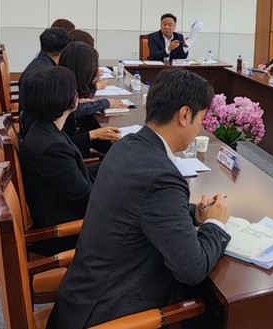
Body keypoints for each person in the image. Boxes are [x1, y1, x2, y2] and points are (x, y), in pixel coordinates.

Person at [48, 69, 231, 328]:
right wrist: (216, 224)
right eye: (201, 118)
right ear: (185, 115)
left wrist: (195, 213)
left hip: (81, 298)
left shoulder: (126, 145)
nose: (200, 125)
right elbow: (192, 269)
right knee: (213, 309)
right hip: (109, 313)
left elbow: (141, 208)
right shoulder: (162, 177)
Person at [18, 66, 93, 256]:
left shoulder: (44, 130)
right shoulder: (51, 147)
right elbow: (84, 197)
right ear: (65, 98)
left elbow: (78, 174)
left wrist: (115, 167)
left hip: (64, 212)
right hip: (66, 233)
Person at [58, 42, 123, 157]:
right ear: (85, 70)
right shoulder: (62, 94)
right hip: (67, 157)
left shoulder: (63, 84)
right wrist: (93, 134)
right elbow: (60, 144)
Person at [19, 27, 72, 134]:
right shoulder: (49, 75)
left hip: (31, 126)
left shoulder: (38, 64)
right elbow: (59, 109)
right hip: (43, 131)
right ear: (65, 50)